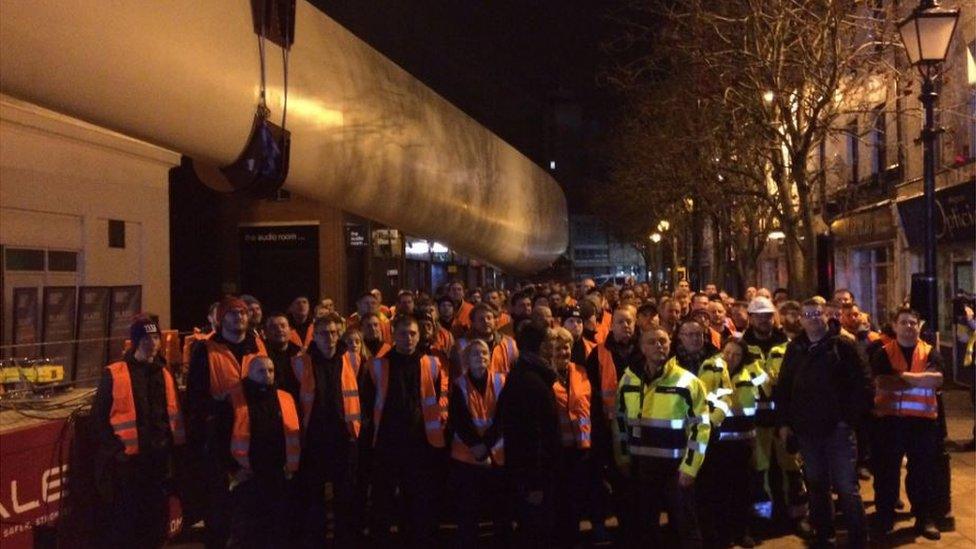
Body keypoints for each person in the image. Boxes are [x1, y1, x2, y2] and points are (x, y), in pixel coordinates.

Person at [775, 298, 871, 548]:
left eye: (817, 313)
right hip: (807, 431)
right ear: (802, 320)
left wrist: (848, 419)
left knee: (846, 487)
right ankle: (824, 536)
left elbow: (863, 383)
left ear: (826, 317)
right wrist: (784, 423)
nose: (813, 318)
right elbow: (784, 388)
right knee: (816, 485)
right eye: (808, 314)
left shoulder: (842, 346)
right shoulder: (795, 348)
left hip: (838, 430)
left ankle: (858, 539)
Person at [92, 316, 185, 548]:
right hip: (130, 464)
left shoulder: (163, 372)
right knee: (128, 521)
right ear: (135, 341)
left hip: (159, 460)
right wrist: (116, 451)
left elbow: (171, 414)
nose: (153, 342)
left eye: (156, 337)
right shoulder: (115, 373)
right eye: (146, 338)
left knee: (157, 520)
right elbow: (99, 418)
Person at [613, 327, 710, 547]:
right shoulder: (629, 380)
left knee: (685, 527)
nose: (659, 345)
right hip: (641, 467)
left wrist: (690, 467)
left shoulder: (688, 381)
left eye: (663, 341)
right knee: (646, 528)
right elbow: (619, 423)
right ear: (642, 347)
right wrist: (623, 458)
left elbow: (701, 428)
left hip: (676, 469)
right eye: (652, 342)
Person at [186, 296, 267, 549]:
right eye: (232, 313)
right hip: (221, 439)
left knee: (254, 510)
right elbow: (195, 398)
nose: (239, 317)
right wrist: (217, 405)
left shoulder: (258, 345)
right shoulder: (206, 350)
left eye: (242, 313)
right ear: (221, 319)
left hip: (255, 435)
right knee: (220, 510)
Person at [363, 313, 449, 545]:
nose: (408, 338)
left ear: (419, 336)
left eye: (412, 334)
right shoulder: (377, 365)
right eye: (402, 334)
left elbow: (438, 399)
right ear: (393, 335)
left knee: (417, 498)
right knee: (383, 498)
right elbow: (368, 405)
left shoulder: (432, 364)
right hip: (387, 442)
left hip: (420, 442)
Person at [870, 307, 945, 540]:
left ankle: (924, 518)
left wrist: (901, 376)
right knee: (886, 472)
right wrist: (920, 380)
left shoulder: (931, 352)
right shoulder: (882, 352)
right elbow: (883, 383)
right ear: (895, 325)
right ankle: (885, 518)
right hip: (889, 422)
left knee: (922, 472)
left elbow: (937, 380)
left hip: (922, 423)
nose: (909, 326)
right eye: (904, 322)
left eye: (913, 322)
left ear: (919, 325)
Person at [294, 312, 365, 546]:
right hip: (314, 438)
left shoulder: (352, 359)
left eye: (335, 332)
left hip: (344, 438)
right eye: (324, 333)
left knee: (345, 495)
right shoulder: (301, 362)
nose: (330, 338)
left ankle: (344, 540)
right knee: (313, 496)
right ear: (315, 335)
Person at [742, 296, 809, 535]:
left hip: (783, 420)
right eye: (759, 315)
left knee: (792, 469)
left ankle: (799, 517)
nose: (764, 320)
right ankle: (762, 520)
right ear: (750, 318)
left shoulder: (789, 346)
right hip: (754, 422)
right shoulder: (739, 347)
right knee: (759, 473)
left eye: (768, 315)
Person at [496, 322, 561, 547]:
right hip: (534, 476)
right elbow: (530, 436)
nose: (554, 350)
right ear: (539, 347)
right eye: (549, 344)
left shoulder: (528, 375)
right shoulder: (530, 382)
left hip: (534, 473)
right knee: (535, 531)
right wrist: (535, 483)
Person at [225, 356, 300, 549]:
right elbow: (221, 438)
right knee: (249, 533)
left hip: (278, 475)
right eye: (261, 371)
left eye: (270, 370)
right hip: (248, 476)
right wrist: (233, 469)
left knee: (277, 530)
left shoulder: (285, 397)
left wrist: (291, 466)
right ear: (249, 374)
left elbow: (295, 435)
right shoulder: (235, 399)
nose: (267, 375)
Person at [698, 339, 763, 548]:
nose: (731, 358)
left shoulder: (750, 374)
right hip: (720, 443)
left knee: (743, 490)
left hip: (745, 442)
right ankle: (723, 535)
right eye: (727, 352)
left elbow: (766, 390)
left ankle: (742, 531)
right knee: (720, 491)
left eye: (736, 354)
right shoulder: (710, 370)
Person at [447, 339, 509, 547]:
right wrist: (477, 446)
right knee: (468, 515)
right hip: (466, 457)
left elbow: (503, 417)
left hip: (496, 456)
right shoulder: (459, 385)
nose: (480, 357)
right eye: (475, 354)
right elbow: (458, 420)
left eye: (484, 353)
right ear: (466, 360)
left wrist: (486, 445)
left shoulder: (502, 381)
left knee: (501, 513)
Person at [540, 327, 594, 547]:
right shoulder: (543, 377)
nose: (563, 352)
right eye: (557, 349)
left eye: (566, 347)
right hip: (556, 450)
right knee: (557, 503)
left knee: (575, 501)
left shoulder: (581, 371)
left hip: (581, 448)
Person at [262, 313, 312, 428]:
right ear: (265, 332)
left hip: (299, 409)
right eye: (274, 327)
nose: (279, 330)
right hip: (270, 410)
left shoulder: (302, 355)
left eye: (283, 326)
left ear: (290, 329)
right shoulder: (260, 354)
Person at [451, 303, 519, 379]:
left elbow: (516, 371)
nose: (486, 321)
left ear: (494, 321)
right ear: (473, 323)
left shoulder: (509, 343)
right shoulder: (462, 345)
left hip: (503, 388)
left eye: (489, 318)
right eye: (481, 319)